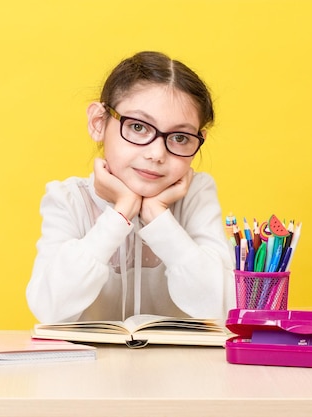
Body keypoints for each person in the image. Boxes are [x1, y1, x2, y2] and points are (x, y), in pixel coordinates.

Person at [27, 51, 235, 323]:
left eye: (180, 137)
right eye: (138, 127)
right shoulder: (68, 199)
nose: (157, 153)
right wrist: (120, 213)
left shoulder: (195, 194)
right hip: (90, 366)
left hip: (179, 366)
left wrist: (158, 217)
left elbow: (224, 306)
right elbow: (49, 309)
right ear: (98, 122)